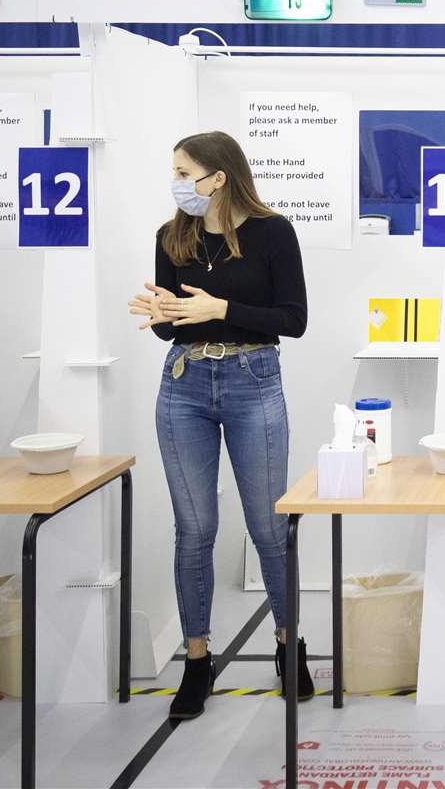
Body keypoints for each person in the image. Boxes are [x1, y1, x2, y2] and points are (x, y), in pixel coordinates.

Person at [128, 131, 309, 720]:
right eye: (175, 172)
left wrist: (221, 308)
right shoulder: (171, 236)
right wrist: (162, 316)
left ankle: (288, 645)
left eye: (187, 173)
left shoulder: (272, 232)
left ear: (219, 177)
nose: (179, 183)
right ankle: (198, 659)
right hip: (183, 383)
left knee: (266, 523)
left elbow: (294, 319)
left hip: (253, 379)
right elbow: (171, 325)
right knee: (195, 527)